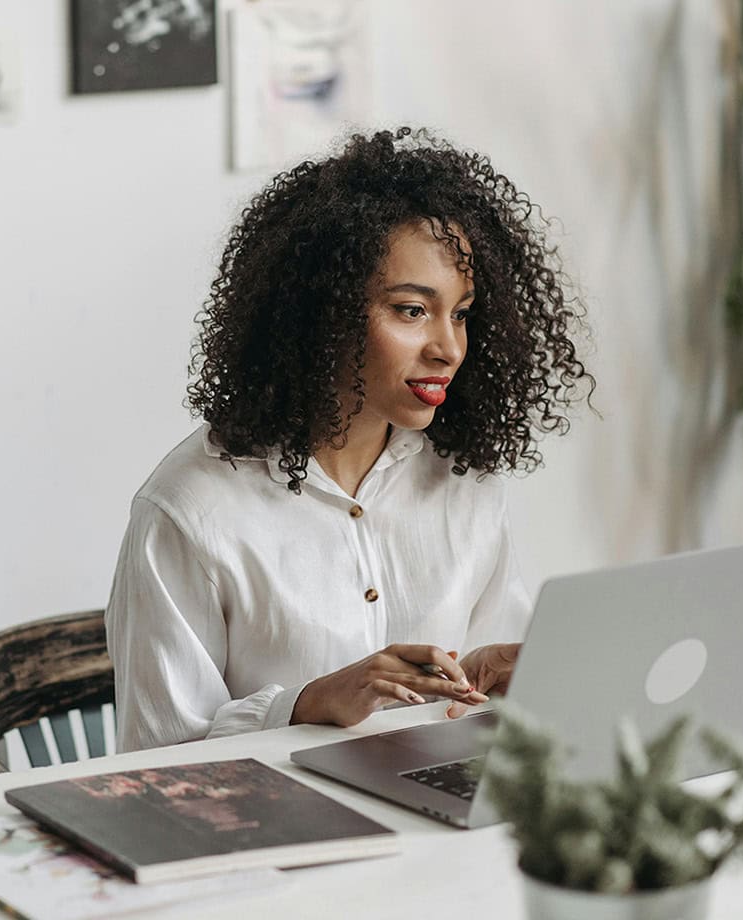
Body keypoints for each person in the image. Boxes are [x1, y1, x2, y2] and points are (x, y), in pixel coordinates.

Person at [105, 127, 594, 753]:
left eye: (462, 313)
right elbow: (159, 760)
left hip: (435, 813)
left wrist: (487, 676)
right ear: (324, 312)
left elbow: (481, 712)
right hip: (278, 835)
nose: (449, 348)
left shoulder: (461, 480)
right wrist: (305, 705)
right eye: (412, 310)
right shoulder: (188, 514)